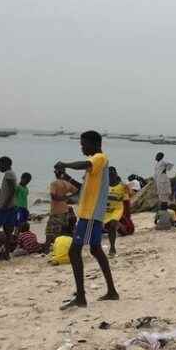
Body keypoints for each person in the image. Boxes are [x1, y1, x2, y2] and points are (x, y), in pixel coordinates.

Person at [54, 130, 119, 310]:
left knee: (74, 252)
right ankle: (112, 291)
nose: (82, 147)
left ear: (93, 144)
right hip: (89, 214)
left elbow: (84, 163)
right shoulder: (95, 166)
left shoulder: (99, 158)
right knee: (96, 250)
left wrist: (65, 164)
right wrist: (65, 177)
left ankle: (81, 297)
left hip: (90, 215)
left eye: (83, 144)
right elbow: (84, 188)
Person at [47, 169, 79, 249]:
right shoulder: (67, 184)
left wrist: (62, 198)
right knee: (63, 230)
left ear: (56, 174)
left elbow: (53, 196)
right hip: (65, 210)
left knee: (51, 232)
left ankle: (53, 248)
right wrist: (68, 198)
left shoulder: (54, 183)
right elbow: (78, 191)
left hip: (56, 210)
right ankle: (64, 246)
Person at [103, 166, 130, 256]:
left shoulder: (122, 186)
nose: (111, 176)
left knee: (112, 224)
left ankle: (112, 247)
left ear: (116, 175)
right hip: (106, 211)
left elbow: (126, 200)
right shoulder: (103, 186)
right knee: (107, 228)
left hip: (117, 210)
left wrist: (127, 216)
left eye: (112, 174)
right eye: (109, 175)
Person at [0, 156, 18, 235]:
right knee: (8, 229)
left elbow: (12, 190)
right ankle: (7, 245)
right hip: (12, 205)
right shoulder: (12, 173)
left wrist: (4, 204)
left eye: (0, 165)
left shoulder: (8, 174)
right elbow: (9, 190)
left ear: (6, 164)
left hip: (6, 206)